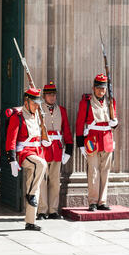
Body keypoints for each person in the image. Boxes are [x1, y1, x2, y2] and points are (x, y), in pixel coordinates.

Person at [5, 88, 51, 231]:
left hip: (36, 151)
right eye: (34, 103)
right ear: (26, 101)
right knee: (41, 165)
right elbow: (10, 140)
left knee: (34, 185)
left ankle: (30, 221)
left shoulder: (37, 115)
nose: (37, 106)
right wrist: (11, 159)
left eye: (38, 103)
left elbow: (39, 133)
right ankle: (29, 194)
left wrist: (44, 140)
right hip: (24, 153)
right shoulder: (17, 116)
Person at [76, 74, 118, 212]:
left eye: (103, 89)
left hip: (107, 139)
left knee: (105, 172)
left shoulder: (111, 102)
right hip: (92, 140)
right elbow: (80, 123)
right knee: (93, 172)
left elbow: (113, 120)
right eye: (99, 88)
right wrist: (81, 143)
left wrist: (115, 123)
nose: (101, 91)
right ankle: (92, 202)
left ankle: (102, 201)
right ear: (93, 88)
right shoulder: (86, 102)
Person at [37, 82, 74, 220]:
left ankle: (53, 210)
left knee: (54, 181)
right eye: (49, 94)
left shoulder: (62, 110)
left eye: (53, 94)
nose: (52, 97)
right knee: (42, 181)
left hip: (57, 149)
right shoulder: (38, 110)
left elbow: (67, 131)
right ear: (44, 96)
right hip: (43, 149)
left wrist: (68, 149)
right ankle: (42, 210)